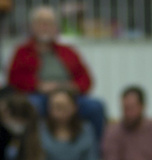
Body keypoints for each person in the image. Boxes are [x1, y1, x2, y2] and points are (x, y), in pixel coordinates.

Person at [6, 6, 105, 138]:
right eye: (41, 23)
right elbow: (14, 79)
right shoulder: (22, 52)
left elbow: (86, 79)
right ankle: (31, 152)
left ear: (56, 28)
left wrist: (73, 87)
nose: (45, 27)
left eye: (49, 23)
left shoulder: (68, 51)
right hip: (39, 96)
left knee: (96, 107)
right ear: (32, 27)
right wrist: (39, 86)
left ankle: (94, 153)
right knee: (32, 106)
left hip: (69, 96)